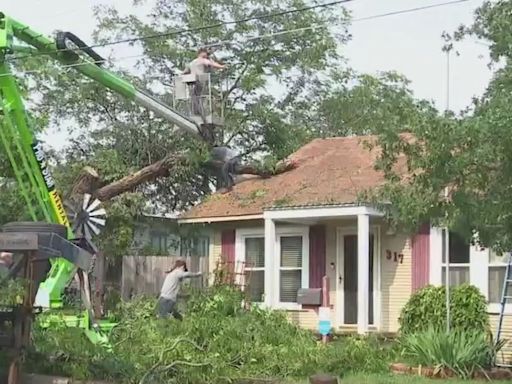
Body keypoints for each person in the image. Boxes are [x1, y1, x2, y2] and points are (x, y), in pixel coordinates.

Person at [183, 48, 226, 117]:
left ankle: (196, 111)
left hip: (192, 81)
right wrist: (222, 66)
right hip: (199, 81)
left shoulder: (192, 62)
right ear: (201, 53)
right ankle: (198, 111)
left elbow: (185, 71)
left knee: (195, 96)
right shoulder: (202, 60)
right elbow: (212, 64)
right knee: (198, 96)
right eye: (205, 53)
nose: (206, 55)